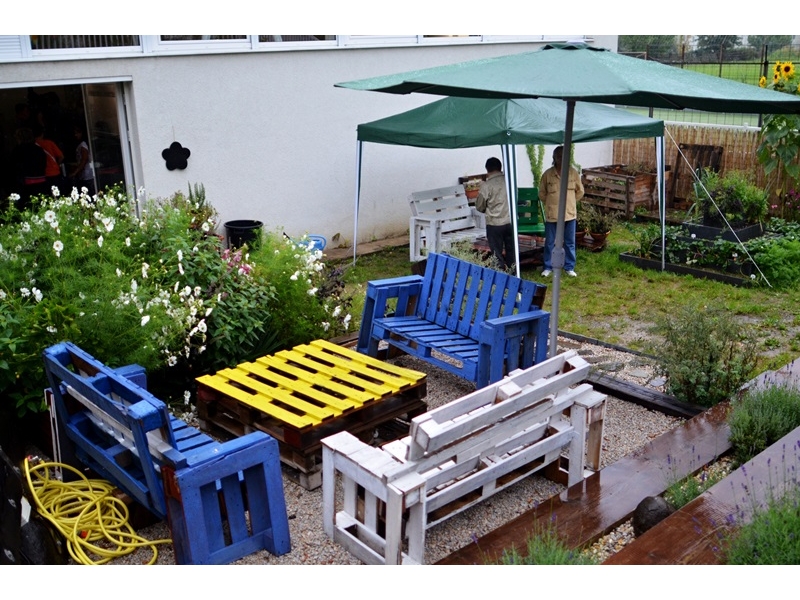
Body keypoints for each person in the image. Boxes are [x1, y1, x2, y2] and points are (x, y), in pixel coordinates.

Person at [539, 146, 584, 278]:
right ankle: (548, 267)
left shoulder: (573, 173)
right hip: (552, 214)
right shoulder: (547, 174)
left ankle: (569, 267)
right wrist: (552, 203)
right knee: (550, 242)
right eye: (558, 156)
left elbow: (580, 191)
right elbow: (542, 193)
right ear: (554, 158)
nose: (561, 159)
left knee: (570, 242)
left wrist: (570, 202)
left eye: (564, 156)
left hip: (569, 214)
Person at [475, 157, 515, 271]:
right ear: (500, 167)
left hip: (494, 224)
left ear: (487, 169)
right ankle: (513, 271)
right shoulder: (509, 181)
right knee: (511, 250)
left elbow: (479, 206)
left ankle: (500, 273)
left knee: (496, 253)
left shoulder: (486, 185)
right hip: (510, 221)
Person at [10, 127, 48, 211]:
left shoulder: (18, 150)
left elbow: (14, 168)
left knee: (27, 208)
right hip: (41, 181)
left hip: (26, 184)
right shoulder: (39, 149)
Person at [34, 125, 65, 193]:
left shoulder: (33, 146)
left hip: (41, 174)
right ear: (42, 134)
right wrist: (57, 165)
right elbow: (61, 156)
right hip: (54, 172)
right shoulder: (49, 143)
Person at [68, 124, 95, 196]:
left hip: (87, 174)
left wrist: (75, 172)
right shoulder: (81, 145)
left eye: (77, 133)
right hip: (84, 174)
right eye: (74, 133)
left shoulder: (83, 145)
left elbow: (84, 160)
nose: (75, 135)